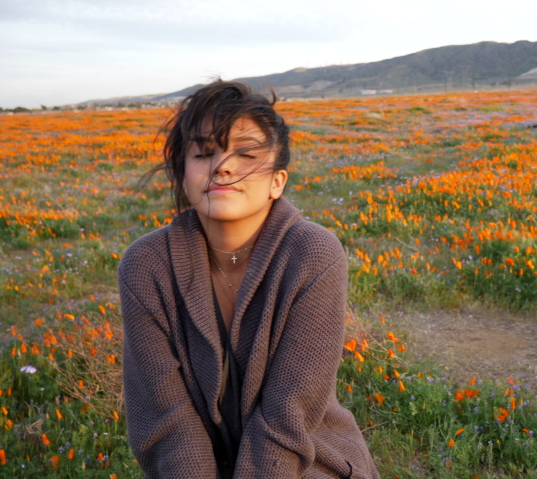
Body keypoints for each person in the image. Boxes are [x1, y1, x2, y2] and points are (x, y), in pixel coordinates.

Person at [119, 80, 380, 478]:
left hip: (306, 460)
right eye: (204, 152)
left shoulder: (313, 254)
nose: (222, 166)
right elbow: (167, 418)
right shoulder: (146, 266)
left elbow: (287, 416)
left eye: (246, 154)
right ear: (183, 176)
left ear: (278, 181)